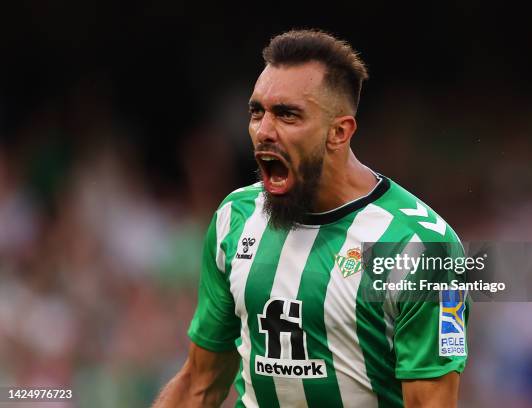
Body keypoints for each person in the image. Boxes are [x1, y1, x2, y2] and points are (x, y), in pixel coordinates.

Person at [153, 29, 469, 408]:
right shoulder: (233, 219)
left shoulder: (417, 246)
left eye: (287, 114)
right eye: (257, 112)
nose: (263, 132)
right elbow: (199, 385)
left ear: (339, 132)